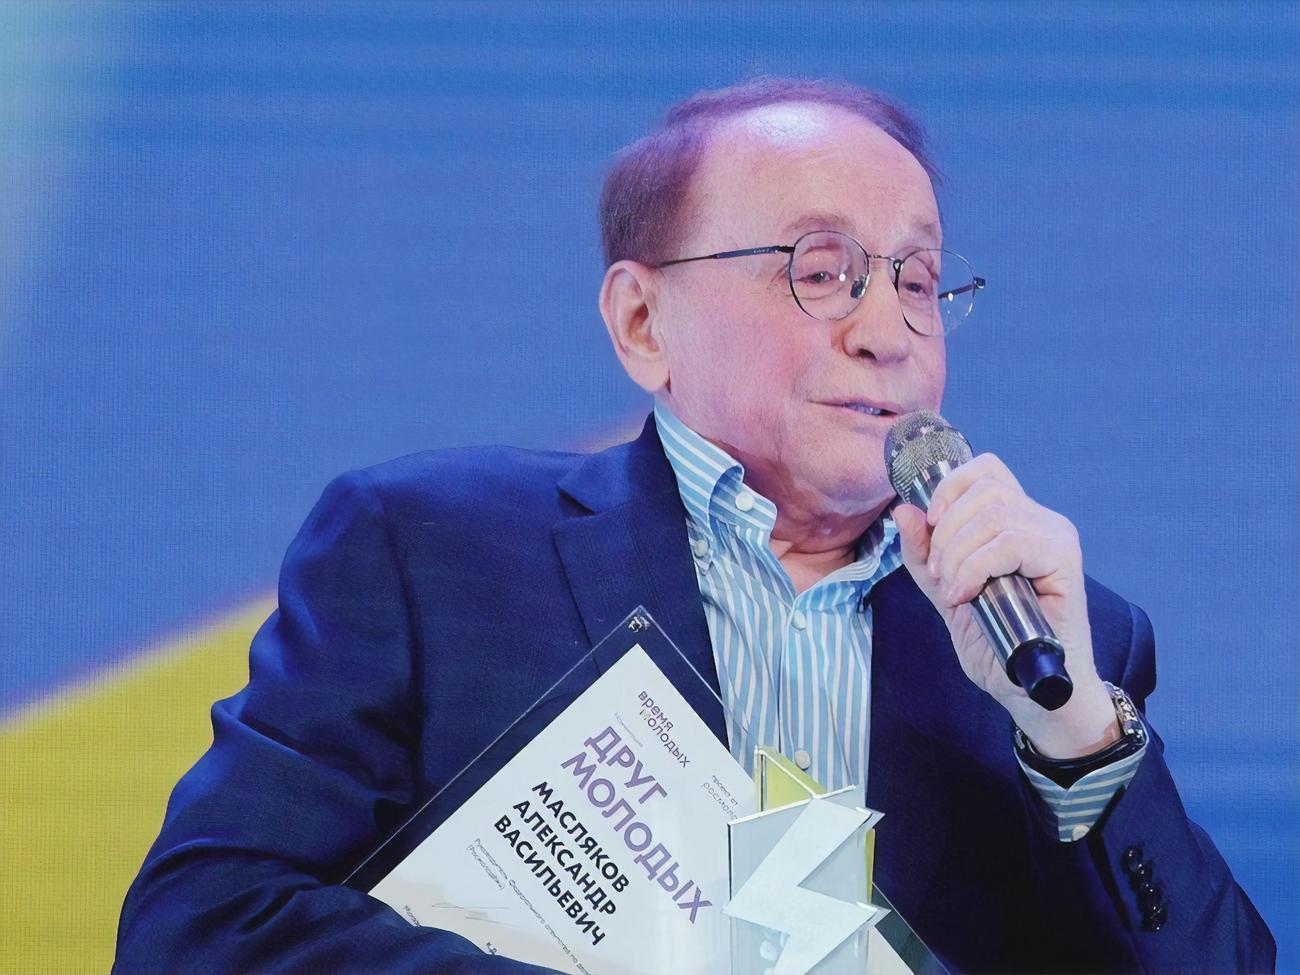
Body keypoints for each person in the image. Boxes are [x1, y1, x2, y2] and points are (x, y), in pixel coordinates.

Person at [113, 78, 1275, 974]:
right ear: (641, 321)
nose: (888, 332)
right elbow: (203, 925)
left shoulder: (1053, 645)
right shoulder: (432, 553)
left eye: (919, 280)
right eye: (821, 270)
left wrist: (1075, 732)